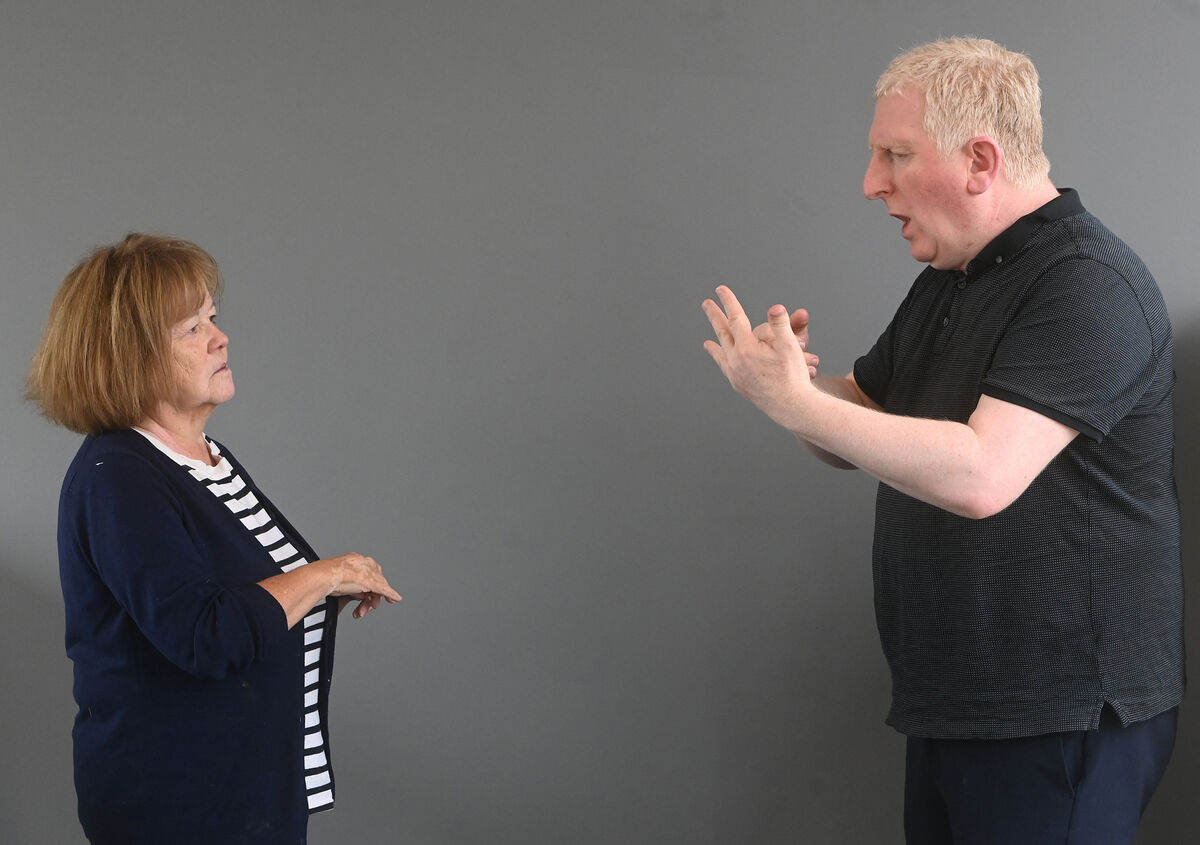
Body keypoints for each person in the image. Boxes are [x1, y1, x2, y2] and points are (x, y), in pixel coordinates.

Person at [702, 37, 1181, 845]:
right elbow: (858, 423)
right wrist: (786, 387)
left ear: (981, 159)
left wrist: (794, 404)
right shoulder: (952, 277)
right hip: (959, 703)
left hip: (1059, 716)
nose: (870, 183)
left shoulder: (1089, 283)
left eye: (895, 154)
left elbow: (984, 475)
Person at [27, 233, 403, 844]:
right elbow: (205, 634)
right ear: (130, 357)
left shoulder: (206, 460)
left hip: (247, 795)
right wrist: (321, 576)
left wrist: (314, 595)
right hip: (179, 809)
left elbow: (237, 596)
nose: (219, 338)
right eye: (190, 329)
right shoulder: (118, 475)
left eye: (212, 318)